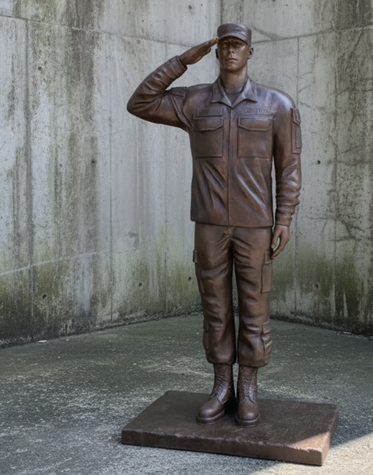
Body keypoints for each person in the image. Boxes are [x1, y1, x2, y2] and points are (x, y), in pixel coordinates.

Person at [127, 23, 302, 427]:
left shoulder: (277, 105)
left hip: (255, 227)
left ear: (250, 51)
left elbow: (289, 167)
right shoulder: (195, 101)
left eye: (238, 45)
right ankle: (222, 387)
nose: (230, 51)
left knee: (255, 308)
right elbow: (141, 102)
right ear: (216, 50)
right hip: (209, 225)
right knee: (216, 309)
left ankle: (249, 389)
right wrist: (181, 62)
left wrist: (285, 217)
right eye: (224, 45)